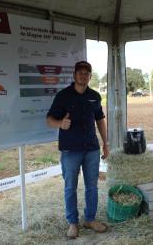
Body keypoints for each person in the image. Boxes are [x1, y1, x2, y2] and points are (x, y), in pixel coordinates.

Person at [47, 61, 109, 238]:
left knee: (92, 187)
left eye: (87, 73)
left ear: (90, 76)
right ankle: (73, 223)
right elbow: (49, 120)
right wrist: (60, 123)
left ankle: (90, 219)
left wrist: (105, 143)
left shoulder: (95, 96)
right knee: (70, 188)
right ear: (74, 75)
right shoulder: (63, 96)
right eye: (80, 72)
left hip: (91, 149)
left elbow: (100, 120)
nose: (83, 75)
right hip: (70, 151)